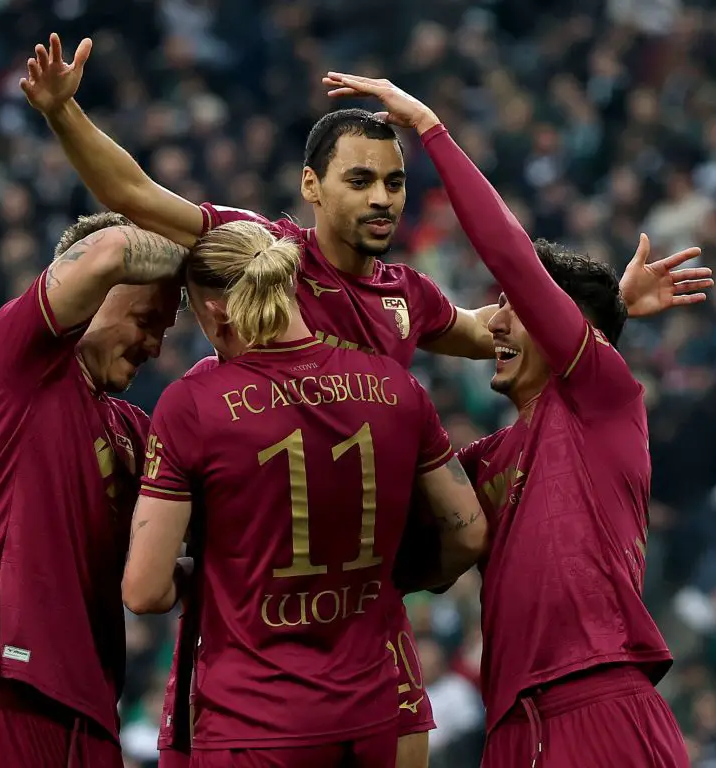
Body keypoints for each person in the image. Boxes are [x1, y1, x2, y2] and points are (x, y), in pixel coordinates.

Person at [19, 33, 709, 768]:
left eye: (394, 182)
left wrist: (601, 321)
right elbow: (132, 195)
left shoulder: (407, 296)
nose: (382, 197)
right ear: (311, 186)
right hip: (259, 597)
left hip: (360, 627)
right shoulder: (267, 254)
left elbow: (505, 331)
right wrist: (65, 114)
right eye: (360, 180)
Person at [322, 72, 689, 766]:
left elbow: (518, 265)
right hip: (512, 728)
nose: (495, 323)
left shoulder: (607, 402)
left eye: (513, 310)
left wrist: (432, 130)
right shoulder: (486, 462)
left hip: (600, 700)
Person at [120, 220, 487, 767]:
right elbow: (469, 530)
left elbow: (144, 592)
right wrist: (402, 577)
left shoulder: (193, 404)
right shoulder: (396, 384)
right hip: (374, 711)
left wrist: (211, 573)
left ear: (216, 310)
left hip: (252, 719)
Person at [0, 213, 187, 767]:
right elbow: (109, 247)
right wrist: (211, 259)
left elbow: (180, 553)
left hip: (90, 713)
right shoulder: (11, 364)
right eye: (146, 318)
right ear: (98, 295)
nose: (155, 345)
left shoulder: (131, 429)